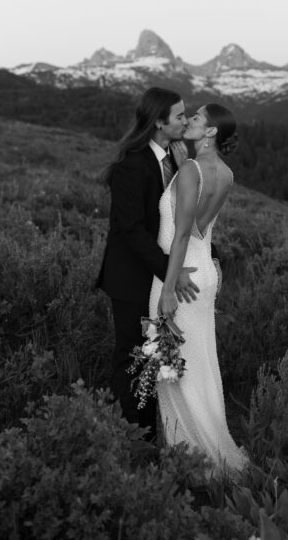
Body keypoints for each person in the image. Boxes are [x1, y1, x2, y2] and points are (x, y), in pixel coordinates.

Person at [97, 87, 199, 442]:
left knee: (154, 355)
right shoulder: (132, 165)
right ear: (158, 121)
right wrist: (170, 270)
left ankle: (151, 433)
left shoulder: (173, 157)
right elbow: (131, 230)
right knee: (132, 356)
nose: (186, 120)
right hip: (130, 279)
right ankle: (133, 438)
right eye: (180, 116)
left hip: (156, 275)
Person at [150, 103, 247, 474]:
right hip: (203, 269)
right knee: (201, 364)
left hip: (181, 273)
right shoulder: (226, 172)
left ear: (209, 132)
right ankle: (208, 449)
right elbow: (203, 226)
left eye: (196, 119)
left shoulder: (192, 169)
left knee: (176, 368)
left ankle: (194, 462)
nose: (188, 121)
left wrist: (169, 286)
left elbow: (179, 235)